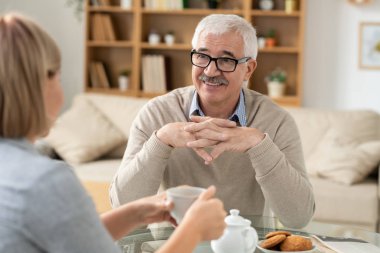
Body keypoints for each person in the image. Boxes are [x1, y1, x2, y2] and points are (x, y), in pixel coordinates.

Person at [0, 13, 226, 253]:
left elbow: (75, 239)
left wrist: (136, 213)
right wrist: (193, 229)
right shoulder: (47, 181)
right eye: (57, 74)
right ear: (37, 85)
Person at [110, 14, 315, 229]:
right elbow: (122, 207)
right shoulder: (157, 113)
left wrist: (259, 145)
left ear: (249, 69)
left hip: (246, 246)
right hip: (172, 247)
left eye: (226, 60)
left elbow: (298, 218)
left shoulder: (276, 121)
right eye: (202, 56)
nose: (210, 70)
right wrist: (161, 141)